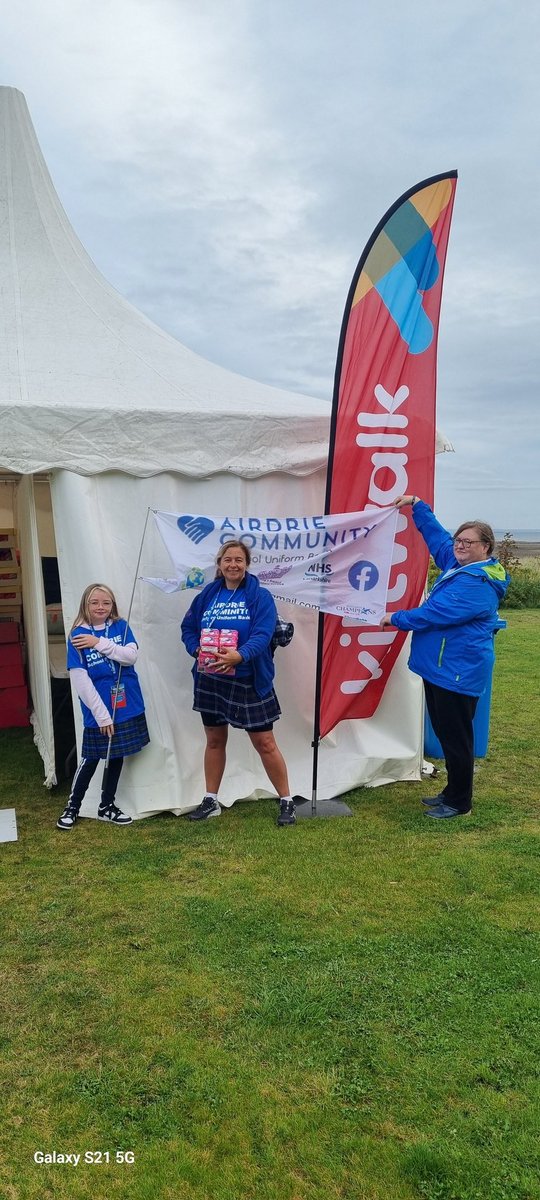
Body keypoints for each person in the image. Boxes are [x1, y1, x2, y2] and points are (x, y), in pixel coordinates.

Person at [380, 497, 509, 819]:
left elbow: (436, 614)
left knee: (456, 738)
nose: (460, 546)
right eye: (459, 540)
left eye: (469, 542)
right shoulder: (459, 565)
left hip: (457, 670)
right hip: (441, 667)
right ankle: (450, 792)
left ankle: (459, 802)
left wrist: (394, 618)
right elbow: (438, 539)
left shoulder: (477, 582)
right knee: (446, 731)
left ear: (486, 547)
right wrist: (417, 506)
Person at [181, 539, 296, 826]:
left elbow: (262, 634)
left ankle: (287, 801)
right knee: (215, 740)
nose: (233, 565)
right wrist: (196, 649)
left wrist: (239, 656)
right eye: (227, 560)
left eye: (239, 560)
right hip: (211, 679)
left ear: (246, 564)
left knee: (265, 742)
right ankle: (211, 799)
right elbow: (188, 628)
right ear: (219, 564)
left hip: (248, 679)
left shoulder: (260, 596)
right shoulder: (208, 594)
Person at [56, 584, 149, 830]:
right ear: (85, 604)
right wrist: (102, 715)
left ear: (113, 605)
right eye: (95, 602)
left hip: (127, 704)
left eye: (106, 603)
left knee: (116, 754)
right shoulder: (77, 634)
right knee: (91, 758)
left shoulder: (120, 626)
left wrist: (98, 642)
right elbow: (79, 678)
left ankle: (107, 805)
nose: (100, 607)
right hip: (98, 709)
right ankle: (72, 807)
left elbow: (130, 657)